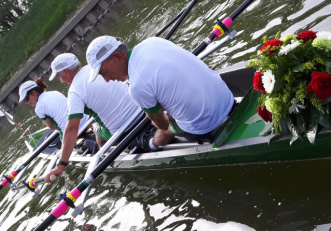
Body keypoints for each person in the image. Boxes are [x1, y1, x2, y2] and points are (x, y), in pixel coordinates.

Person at [86, 36, 235, 151]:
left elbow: (163, 124)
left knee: (161, 131)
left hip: (204, 125)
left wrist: (154, 116)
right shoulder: (152, 41)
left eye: (104, 72)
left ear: (118, 57)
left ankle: (154, 143)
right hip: (227, 96)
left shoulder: (136, 87)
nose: (106, 79)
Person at [44, 53, 141, 182]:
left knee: (96, 129)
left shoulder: (74, 91)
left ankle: (107, 155)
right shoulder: (98, 66)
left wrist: (61, 165)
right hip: (141, 110)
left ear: (66, 72)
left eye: (59, 76)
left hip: (122, 129)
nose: (61, 81)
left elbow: (72, 129)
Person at [18, 77, 89, 138]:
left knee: (63, 138)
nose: (27, 102)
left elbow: (52, 127)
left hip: (73, 133)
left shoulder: (38, 108)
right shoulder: (55, 92)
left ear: (34, 92)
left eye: (26, 98)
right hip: (86, 120)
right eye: (25, 101)